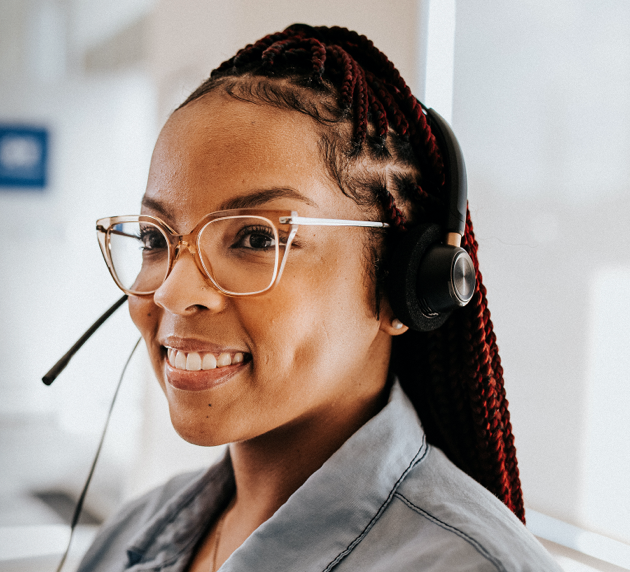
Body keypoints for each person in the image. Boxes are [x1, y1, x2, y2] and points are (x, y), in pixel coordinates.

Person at [77, 25, 557, 571]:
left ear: (402, 285)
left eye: (256, 238)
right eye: (154, 236)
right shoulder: (127, 536)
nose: (172, 291)